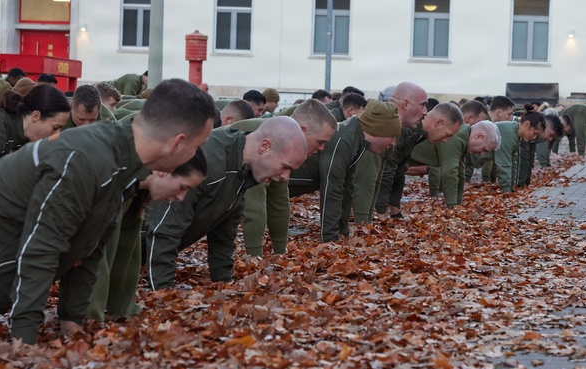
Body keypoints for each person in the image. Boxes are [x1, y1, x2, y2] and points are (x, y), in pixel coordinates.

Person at [0, 79, 217, 343]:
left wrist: (72, 324)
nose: (194, 154)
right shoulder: (88, 159)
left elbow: (87, 250)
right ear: (177, 142)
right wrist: (24, 343)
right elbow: (41, 248)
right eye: (196, 146)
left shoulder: (120, 166)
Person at [142, 116, 308, 289]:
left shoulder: (242, 170)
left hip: (141, 253)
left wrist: (224, 284)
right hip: (122, 249)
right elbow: (163, 230)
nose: (285, 177)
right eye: (285, 167)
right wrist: (163, 293)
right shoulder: (207, 160)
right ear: (265, 147)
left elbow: (223, 234)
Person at [86, 147, 208, 322]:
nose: (181, 198)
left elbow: (126, 255)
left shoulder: (136, 192)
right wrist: (90, 322)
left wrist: (124, 310)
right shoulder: (115, 181)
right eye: (182, 187)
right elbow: (96, 257)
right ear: (163, 172)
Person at [289, 100, 402, 242]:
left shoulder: (357, 138)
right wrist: (331, 240)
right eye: (391, 136)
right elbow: (331, 190)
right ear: (377, 131)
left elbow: (347, 188)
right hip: (281, 181)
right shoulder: (344, 140)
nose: (392, 142)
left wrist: (343, 231)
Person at [240, 100, 339, 256]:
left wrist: (281, 253)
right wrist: (254, 260)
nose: (321, 149)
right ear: (302, 130)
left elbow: (279, 201)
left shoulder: (288, 143)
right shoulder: (271, 137)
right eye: (320, 142)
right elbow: (254, 208)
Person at [351, 82, 429, 222]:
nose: (425, 112)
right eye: (422, 105)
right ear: (405, 104)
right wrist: (363, 227)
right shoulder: (380, 127)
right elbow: (365, 183)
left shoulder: (397, 129)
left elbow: (380, 178)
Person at [374, 102, 464, 216]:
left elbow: (399, 170)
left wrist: (395, 211)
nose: (445, 140)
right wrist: (381, 214)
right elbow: (386, 170)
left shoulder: (419, 133)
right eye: (447, 134)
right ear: (438, 123)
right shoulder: (409, 129)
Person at [408, 119, 501, 208]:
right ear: (478, 136)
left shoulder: (463, 137)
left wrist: (458, 202)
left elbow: (460, 173)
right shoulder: (456, 137)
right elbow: (449, 173)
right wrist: (452, 207)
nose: (482, 154)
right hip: (401, 154)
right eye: (484, 149)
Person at [489, 110, 545, 192]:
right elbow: (504, 164)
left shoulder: (516, 133)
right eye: (535, 133)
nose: (534, 138)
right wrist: (506, 190)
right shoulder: (509, 133)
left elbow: (513, 163)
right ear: (527, 124)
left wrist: (511, 188)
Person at [517, 112, 563, 187]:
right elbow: (522, 161)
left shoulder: (532, 138)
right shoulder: (525, 133)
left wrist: (526, 183)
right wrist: (521, 185)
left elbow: (529, 161)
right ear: (544, 127)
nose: (550, 139)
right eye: (550, 135)